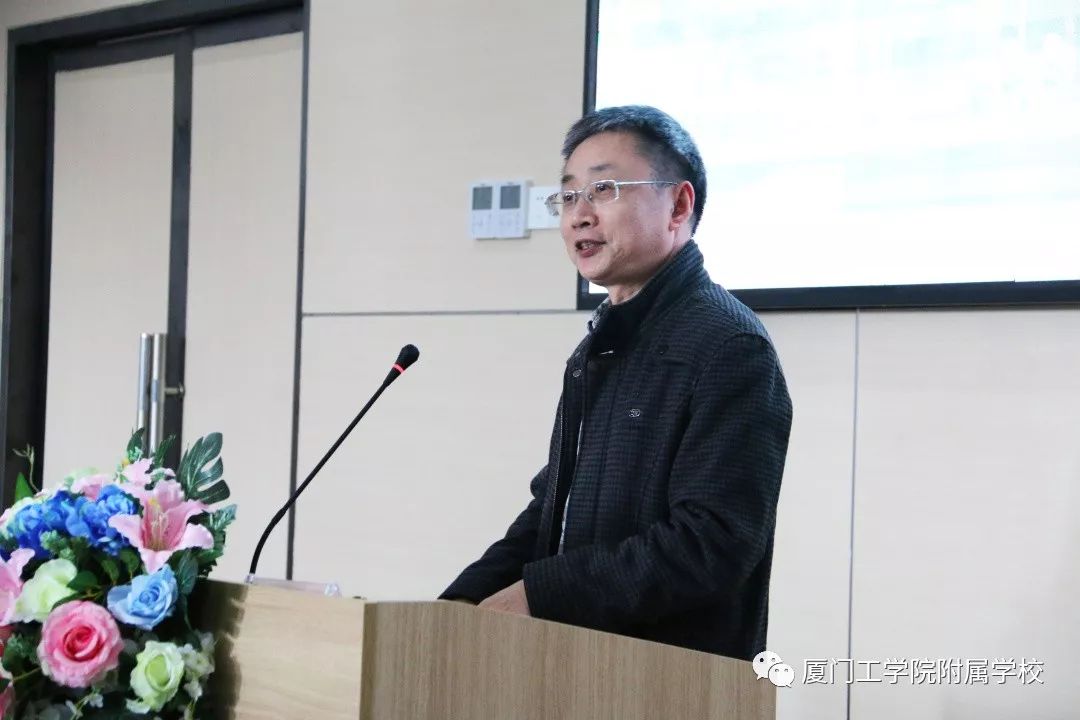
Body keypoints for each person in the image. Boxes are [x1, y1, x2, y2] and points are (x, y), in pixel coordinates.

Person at [440, 105, 793, 660]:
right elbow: (551, 511)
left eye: (603, 189)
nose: (579, 216)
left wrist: (540, 595)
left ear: (678, 205)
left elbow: (711, 544)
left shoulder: (729, 346)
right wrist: (459, 603)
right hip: (578, 664)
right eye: (568, 196)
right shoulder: (598, 350)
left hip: (670, 678)